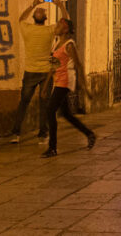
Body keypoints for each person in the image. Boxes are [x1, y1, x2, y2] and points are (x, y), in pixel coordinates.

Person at [10, 0, 61, 143]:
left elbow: (66, 23)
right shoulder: (29, 29)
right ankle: (17, 133)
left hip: (41, 72)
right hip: (35, 72)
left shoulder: (49, 30)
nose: (40, 12)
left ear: (44, 17)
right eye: (39, 11)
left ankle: (41, 134)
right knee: (26, 102)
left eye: (42, 11)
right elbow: (20, 19)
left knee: (38, 103)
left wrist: (60, 6)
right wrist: (34, 5)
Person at [41, 19, 95, 157]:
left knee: (50, 110)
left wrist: (85, 88)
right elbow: (53, 66)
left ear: (65, 29)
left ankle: (52, 147)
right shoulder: (56, 43)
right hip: (57, 81)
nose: (56, 26)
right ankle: (89, 134)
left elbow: (79, 65)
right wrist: (45, 86)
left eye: (59, 25)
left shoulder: (69, 45)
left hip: (66, 81)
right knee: (66, 114)